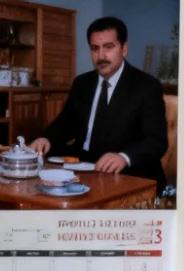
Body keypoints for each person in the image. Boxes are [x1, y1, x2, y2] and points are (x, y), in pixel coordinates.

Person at [30, 16, 168, 186]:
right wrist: (46, 139)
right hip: (84, 167)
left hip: (129, 174)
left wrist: (124, 157)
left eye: (109, 47)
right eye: (95, 48)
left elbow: (156, 141)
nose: (101, 56)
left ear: (124, 49)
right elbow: (65, 124)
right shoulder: (82, 83)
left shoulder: (146, 86)